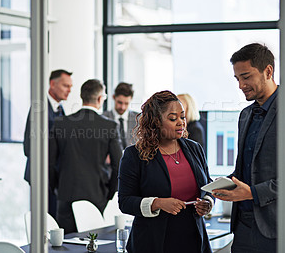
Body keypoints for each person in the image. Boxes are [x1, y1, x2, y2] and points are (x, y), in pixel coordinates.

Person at [118, 90, 214, 253]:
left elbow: (207, 186)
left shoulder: (194, 148)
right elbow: (125, 201)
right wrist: (158, 203)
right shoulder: (134, 155)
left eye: (182, 117)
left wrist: (208, 202)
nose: (181, 123)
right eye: (172, 118)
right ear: (156, 122)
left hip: (194, 239)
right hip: (152, 242)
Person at [212, 43, 278, 252]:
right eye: (237, 79)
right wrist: (223, 185)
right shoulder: (245, 115)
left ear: (268, 71)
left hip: (276, 227)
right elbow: (246, 168)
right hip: (242, 227)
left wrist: (252, 193)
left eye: (246, 77)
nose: (241, 85)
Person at [49, 79, 123, 234]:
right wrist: (109, 193)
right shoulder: (109, 126)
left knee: (66, 247)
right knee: (95, 245)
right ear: (100, 99)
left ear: (82, 96)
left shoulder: (61, 123)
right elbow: (119, 165)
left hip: (66, 195)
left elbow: (50, 163)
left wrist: (58, 187)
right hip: (96, 196)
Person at [23, 69, 73, 219]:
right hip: (41, 175)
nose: (69, 90)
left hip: (54, 177)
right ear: (52, 84)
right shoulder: (39, 108)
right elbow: (29, 146)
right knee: (42, 221)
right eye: (66, 86)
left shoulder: (60, 109)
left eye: (70, 86)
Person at [103, 82, 138, 149]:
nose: (123, 107)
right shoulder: (104, 118)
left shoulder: (139, 119)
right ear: (113, 97)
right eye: (120, 102)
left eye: (126, 103)